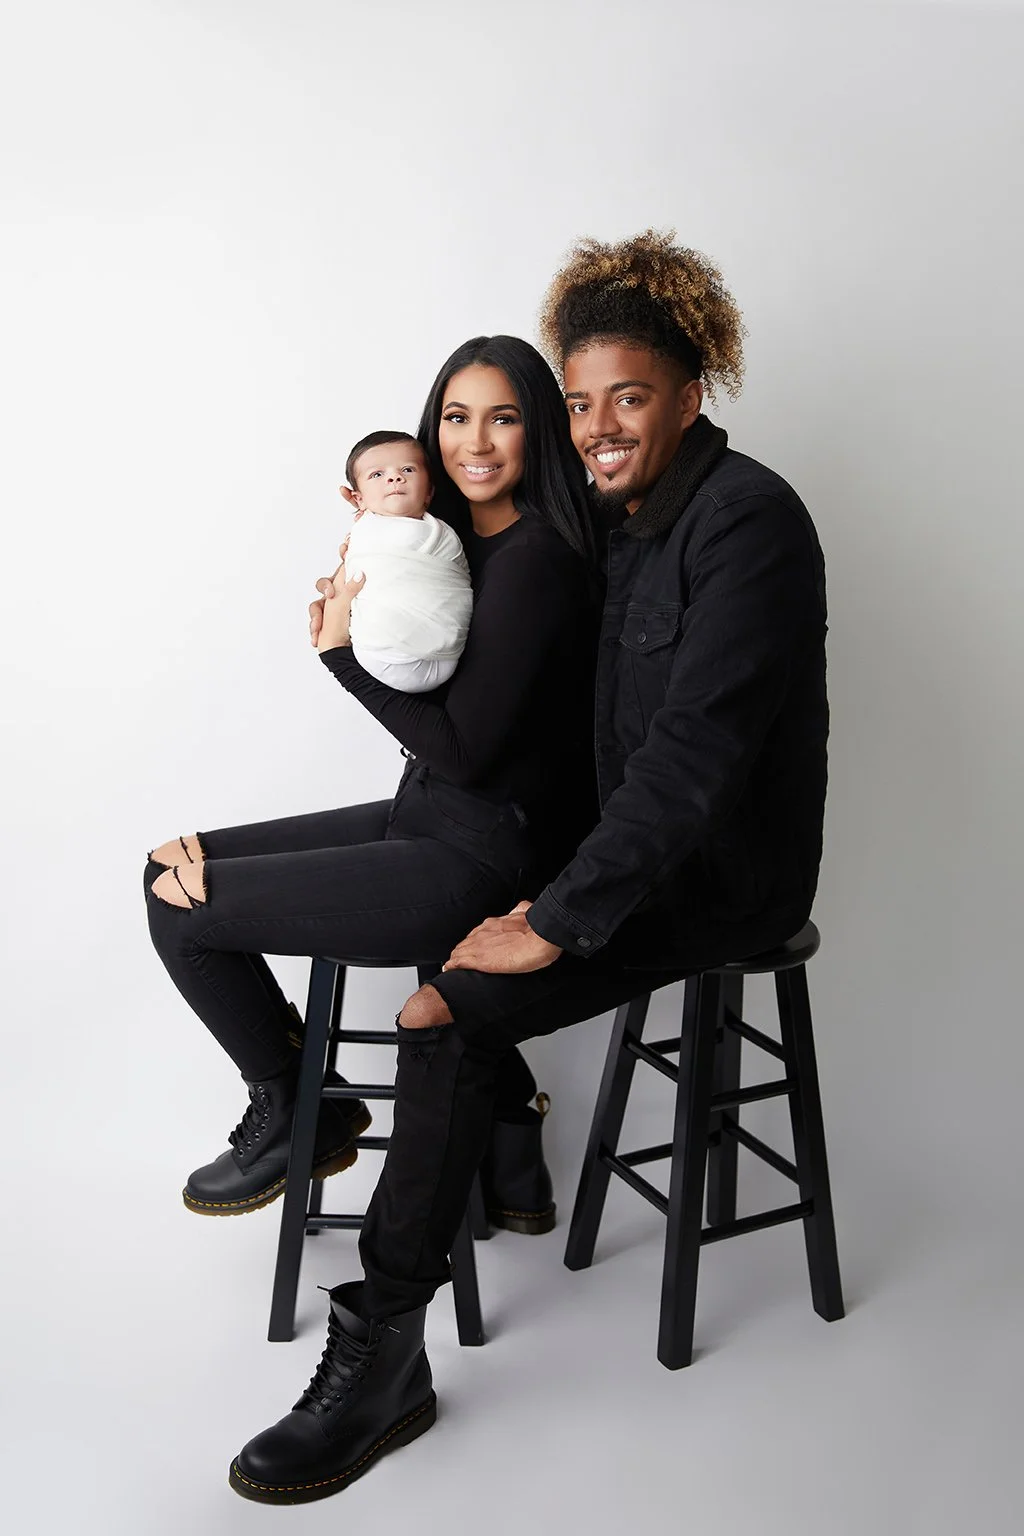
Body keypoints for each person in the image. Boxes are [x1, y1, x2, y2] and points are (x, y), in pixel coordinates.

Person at [228, 230, 830, 1505]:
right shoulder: (608, 521)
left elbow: (690, 764)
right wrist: (388, 549)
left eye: (629, 398)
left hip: (712, 883)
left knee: (443, 1007)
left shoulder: (748, 525)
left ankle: (383, 1351)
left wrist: (553, 916)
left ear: (689, 397)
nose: (598, 426)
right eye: (580, 401)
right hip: (605, 858)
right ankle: (508, 1153)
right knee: (446, 906)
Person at [144, 334, 598, 1232]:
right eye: (456, 418)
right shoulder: (454, 544)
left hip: (475, 858)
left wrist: (342, 653)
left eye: (503, 418)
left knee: (181, 908)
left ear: (538, 429)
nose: (475, 441)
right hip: (425, 815)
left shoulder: (534, 561)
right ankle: (506, 1151)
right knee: (167, 863)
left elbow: (464, 751)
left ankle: (295, 1106)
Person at [339, 430, 473, 693]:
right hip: (383, 654)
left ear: (429, 492)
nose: (394, 477)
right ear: (359, 499)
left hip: (446, 653)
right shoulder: (362, 535)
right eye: (377, 474)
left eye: (408, 470)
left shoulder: (443, 535)